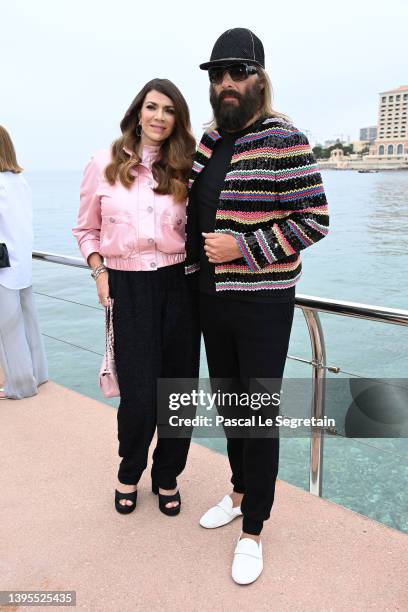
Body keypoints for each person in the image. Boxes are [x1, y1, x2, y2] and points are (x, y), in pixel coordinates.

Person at [185, 28, 329, 584]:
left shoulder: (283, 139)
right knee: (229, 406)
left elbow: (314, 221)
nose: (226, 83)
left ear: (258, 80)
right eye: (218, 75)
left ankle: (254, 528)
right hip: (210, 299)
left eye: (237, 72)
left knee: (259, 415)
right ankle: (240, 489)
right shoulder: (208, 143)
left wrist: (242, 246)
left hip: (264, 303)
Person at [73, 79, 200, 516]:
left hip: (180, 285)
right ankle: (130, 471)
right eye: (152, 107)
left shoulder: (186, 165)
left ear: (177, 119)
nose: (159, 117)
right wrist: (98, 270)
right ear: (138, 111)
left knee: (178, 391)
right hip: (128, 288)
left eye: (169, 110)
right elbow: (86, 229)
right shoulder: (103, 162)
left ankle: (168, 476)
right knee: (140, 395)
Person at [0, 125, 48, 400]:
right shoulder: (20, 181)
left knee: (8, 329)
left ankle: (19, 386)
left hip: (3, 264)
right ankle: (38, 375)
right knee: (28, 324)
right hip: (22, 263)